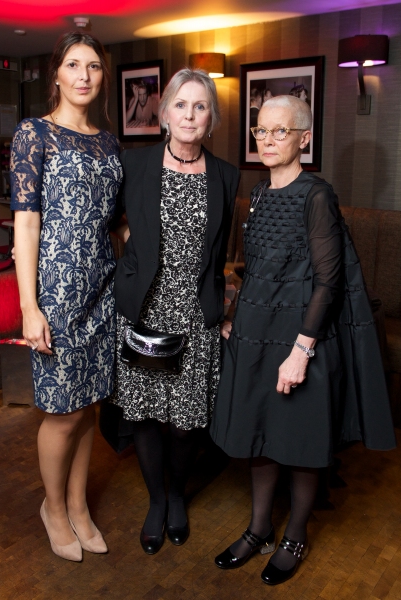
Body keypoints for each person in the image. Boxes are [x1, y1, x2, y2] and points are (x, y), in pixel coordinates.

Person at [210, 95, 395, 585]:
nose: (268, 141)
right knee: (261, 437)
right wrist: (233, 315)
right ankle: (257, 530)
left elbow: (327, 282)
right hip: (256, 331)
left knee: (299, 442)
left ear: (304, 138)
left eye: (280, 132)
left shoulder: (317, 195)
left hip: (300, 338)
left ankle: (294, 534)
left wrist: (300, 351)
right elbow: (257, 271)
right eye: (261, 132)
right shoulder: (261, 192)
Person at [112, 68, 240, 555]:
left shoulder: (226, 176)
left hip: (195, 315)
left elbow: (221, 255)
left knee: (187, 422)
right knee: (144, 416)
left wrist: (224, 308)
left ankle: (176, 493)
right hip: (144, 311)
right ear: (163, 114)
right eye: (181, 105)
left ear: (211, 119)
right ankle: (155, 502)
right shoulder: (136, 165)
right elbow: (105, 225)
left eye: (200, 106)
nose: (190, 115)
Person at [10, 32, 123, 562]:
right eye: (74, 65)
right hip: (55, 293)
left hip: (104, 290)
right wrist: (30, 308)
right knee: (61, 411)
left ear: (103, 76)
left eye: (94, 66)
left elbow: (116, 225)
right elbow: (27, 224)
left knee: (89, 407)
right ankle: (53, 507)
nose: (84, 75)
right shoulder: (34, 135)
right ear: (55, 73)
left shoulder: (109, 140)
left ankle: (79, 506)